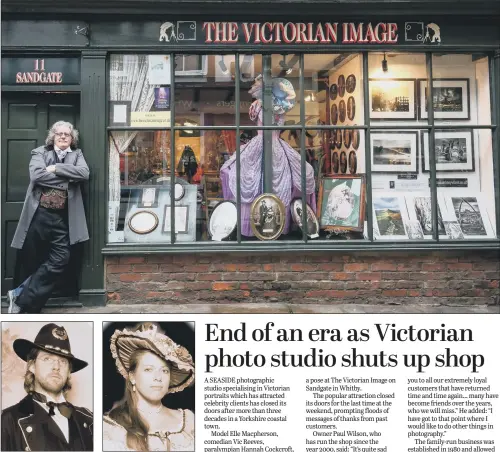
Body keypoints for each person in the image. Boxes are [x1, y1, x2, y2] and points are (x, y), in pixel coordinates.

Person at [8, 121, 90, 314]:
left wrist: (55, 169)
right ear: (52, 136)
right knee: (32, 259)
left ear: (72, 138)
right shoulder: (39, 153)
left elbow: (84, 173)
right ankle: (29, 305)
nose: (63, 137)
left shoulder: (77, 155)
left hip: (62, 217)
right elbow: (37, 176)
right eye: (59, 134)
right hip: (39, 215)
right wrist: (68, 178)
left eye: (67, 135)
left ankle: (20, 295)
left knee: (61, 259)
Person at [220, 75, 316, 237]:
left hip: (273, 144)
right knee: (253, 176)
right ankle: (260, 223)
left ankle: (272, 223)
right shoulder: (275, 105)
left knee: (274, 176)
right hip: (267, 143)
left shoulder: (266, 105)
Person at [1, 323, 93, 451]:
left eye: (63, 361)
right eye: (47, 359)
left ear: (68, 372)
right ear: (32, 366)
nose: (56, 366)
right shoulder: (7, 420)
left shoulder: (89, 419)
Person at [103, 323, 195, 451]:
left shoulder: (188, 421)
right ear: (132, 377)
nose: (158, 377)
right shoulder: (110, 428)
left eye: (164, 371)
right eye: (148, 369)